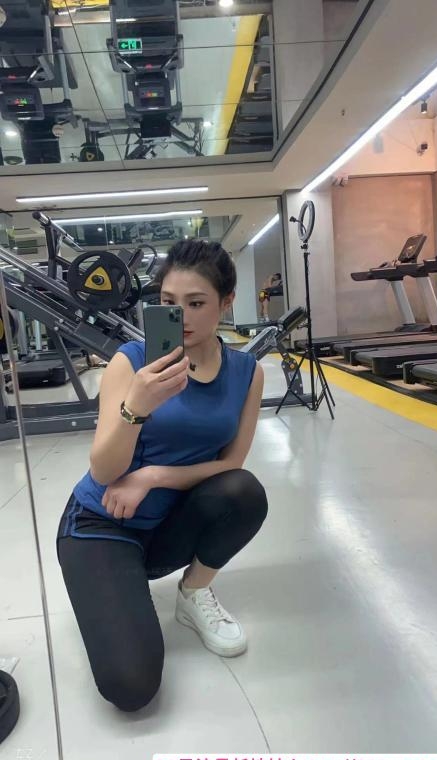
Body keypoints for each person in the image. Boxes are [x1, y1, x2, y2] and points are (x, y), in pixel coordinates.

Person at [56, 239, 268, 713]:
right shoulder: (132, 361)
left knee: (244, 493)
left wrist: (152, 476)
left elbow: (231, 463)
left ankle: (193, 592)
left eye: (196, 303)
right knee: (131, 687)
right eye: (169, 303)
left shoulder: (246, 372)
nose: (182, 317)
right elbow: (105, 470)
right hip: (102, 523)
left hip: (170, 522)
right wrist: (137, 406)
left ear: (226, 302)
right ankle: (116, 586)